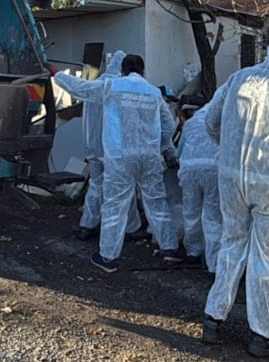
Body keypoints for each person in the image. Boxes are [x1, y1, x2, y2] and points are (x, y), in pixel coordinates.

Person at [199, 30, 269, 357]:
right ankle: (261, 335)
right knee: (267, 257)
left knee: (231, 244)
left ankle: (213, 318)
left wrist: (231, 149)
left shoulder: (238, 78)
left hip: (230, 178)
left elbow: (211, 121)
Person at [54, 54, 180, 272]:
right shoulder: (153, 92)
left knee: (115, 206)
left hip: (121, 158)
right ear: (143, 70)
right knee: (157, 202)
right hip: (149, 158)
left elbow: (80, 88)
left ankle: (108, 257)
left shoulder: (112, 86)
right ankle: (170, 249)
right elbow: (168, 125)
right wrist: (160, 146)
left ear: (122, 70)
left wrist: (57, 75)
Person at [61, 51, 144, 243]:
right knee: (124, 189)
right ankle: (130, 228)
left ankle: (87, 225)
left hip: (93, 148)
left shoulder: (96, 84)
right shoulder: (119, 87)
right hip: (114, 149)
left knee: (96, 185)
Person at [177, 109, 220, 270]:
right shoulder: (224, 121)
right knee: (213, 217)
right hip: (214, 170)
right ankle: (214, 263)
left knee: (191, 212)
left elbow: (179, 151)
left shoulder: (191, 123)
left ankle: (193, 252)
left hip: (189, 169)